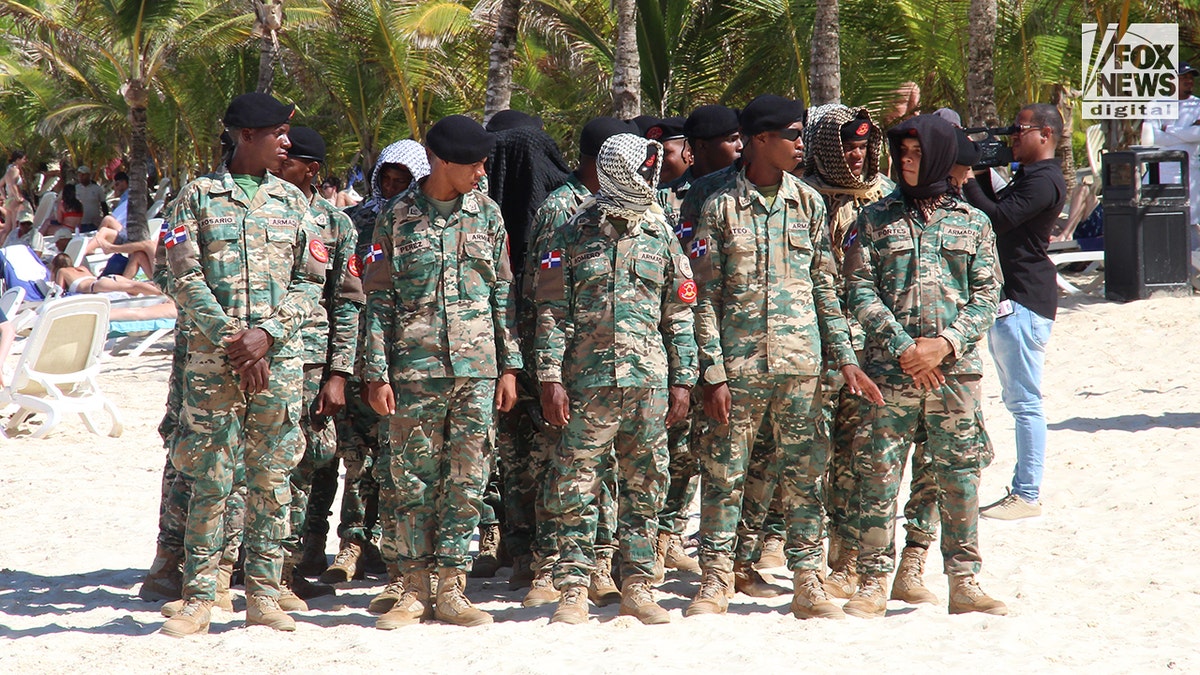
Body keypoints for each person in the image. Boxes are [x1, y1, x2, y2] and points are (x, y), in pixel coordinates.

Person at [686, 95, 880, 620]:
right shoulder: (719, 207)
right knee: (724, 475)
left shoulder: (808, 203)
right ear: (760, 140)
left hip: (802, 366)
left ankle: (808, 583)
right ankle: (715, 580)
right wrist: (712, 373)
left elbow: (825, 286)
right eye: (792, 136)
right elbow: (704, 298)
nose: (802, 145)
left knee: (804, 477)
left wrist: (844, 357)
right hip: (740, 367)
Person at [157, 91, 325, 637]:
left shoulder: (295, 203)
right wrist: (235, 340)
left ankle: (265, 595)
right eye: (277, 133)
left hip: (277, 361)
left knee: (272, 479)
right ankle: (199, 598)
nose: (286, 142)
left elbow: (312, 281)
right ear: (246, 136)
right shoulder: (197, 198)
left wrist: (267, 336)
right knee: (211, 477)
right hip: (215, 365)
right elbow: (180, 277)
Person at [361, 114, 521, 629]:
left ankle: (452, 588)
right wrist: (376, 371)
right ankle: (411, 589)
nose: (481, 172)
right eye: (474, 163)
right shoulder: (398, 218)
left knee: (467, 481)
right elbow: (378, 299)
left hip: (477, 372)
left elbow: (503, 294)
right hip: (413, 371)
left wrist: (510, 367)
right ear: (441, 162)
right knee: (410, 480)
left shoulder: (489, 215)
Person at [844, 113, 1007, 618]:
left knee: (956, 477)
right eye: (901, 152)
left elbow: (988, 294)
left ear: (937, 155)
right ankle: (873, 580)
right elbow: (858, 288)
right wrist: (904, 348)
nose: (906, 160)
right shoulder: (872, 219)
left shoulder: (973, 222)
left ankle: (964, 581)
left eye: (916, 152)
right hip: (892, 374)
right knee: (879, 476)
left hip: (955, 376)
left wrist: (945, 345)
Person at [533, 132, 697, 625]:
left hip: (648, 382)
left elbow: (680, 313)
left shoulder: (661, 232)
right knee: (577, 484)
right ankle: (574, 588)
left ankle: (639, 586)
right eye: (642, 168)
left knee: (645, 485)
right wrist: (549, 377)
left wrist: (684, 379)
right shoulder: (571, 231)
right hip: (586, 384)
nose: (650, 175)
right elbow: (550, 310)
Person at [514, 116, 637, 609]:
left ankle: (600, 564)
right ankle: (550, 567)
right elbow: (541, 295)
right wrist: (546, 370)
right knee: (563, 467)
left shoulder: (634, 205)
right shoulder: (560, 209)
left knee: (605, 469)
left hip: (619, 367)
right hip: (569, 364)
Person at [320, 139, 428, 605]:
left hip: (405, 360)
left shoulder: (423, 225)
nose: (392, 187)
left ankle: (391, 549)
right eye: (385, 178)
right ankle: (351, 545)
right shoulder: (355, 222)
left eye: (402, 180)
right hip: (357, 354)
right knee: (354, 456)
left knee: (396, 459)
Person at [270, 126, 364, 610]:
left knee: (307, 463)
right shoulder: (261, 209)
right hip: (258, 355)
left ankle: (286, 570)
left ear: (310, 169)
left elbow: (348, 304)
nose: (276, 162)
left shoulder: (335, 224)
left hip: (309, 361)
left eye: (288, 160)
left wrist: (338, 375)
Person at [963, 104, 1067, 520]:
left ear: (1044, 134)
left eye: (1019, 130)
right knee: (1017, 399)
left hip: (1024, 300)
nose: (1012, 138)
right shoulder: (1032, 177)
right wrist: (984, 170)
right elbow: (998, 205)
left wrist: (967, 178)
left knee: (1025, 403)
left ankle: (1026, 494)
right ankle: (1023, 491)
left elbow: (998, 219)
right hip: (1018, 300)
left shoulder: (1044, 180)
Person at [652, 103, 743, 579]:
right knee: (679, 444)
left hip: (738, 338)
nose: (740, 147)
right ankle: (663, 537)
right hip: (683, 334)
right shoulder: (668, 201)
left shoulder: (741, 194)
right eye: (730, 139)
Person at [1141, 62, 1200, 286]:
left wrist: (1169, 129)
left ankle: (1190, 276)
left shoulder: (1197, 105)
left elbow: (1198, 134)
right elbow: (1151, 139)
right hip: (1160, 172)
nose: (1189, 81)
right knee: (1156, 221)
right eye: (1184, 77)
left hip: (1189, 175)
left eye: (1191, 77)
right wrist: (1184, 134)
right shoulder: (1157, 104)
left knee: (1191, 224)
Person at [49, 253, 163, 297]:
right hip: (107, 279)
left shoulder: (62, 272)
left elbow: (59, 291)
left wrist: (53, 276)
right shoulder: (82, 268)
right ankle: (164, 287)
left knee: (133, 287)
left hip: (97, 286)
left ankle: (165, 294)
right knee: (134, 285)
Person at [644, 117, 692, 185]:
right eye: (652, 154)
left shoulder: (704, 190)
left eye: (665, 153)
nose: (657, 159)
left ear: (690, 154)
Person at [2, 150, 28, 238]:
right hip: (14, 201)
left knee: (7, 228)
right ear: (17, 159)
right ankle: (13, 245)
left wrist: (5, 197)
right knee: (15, 228)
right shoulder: (15, 170)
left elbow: (1, 184)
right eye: (23, 159)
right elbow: (13, 184)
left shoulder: (9, 170)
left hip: (9, 200)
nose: (25, 161)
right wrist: (18, 197)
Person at [73, 165, 107, 232]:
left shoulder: (97, 189)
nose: (81, 177)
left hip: (94, 223)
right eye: (79, 175)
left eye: (83, 175)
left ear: (88, 175)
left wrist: (105, 219)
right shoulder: (75, 189)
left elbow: (103, 204)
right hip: (80, 224)